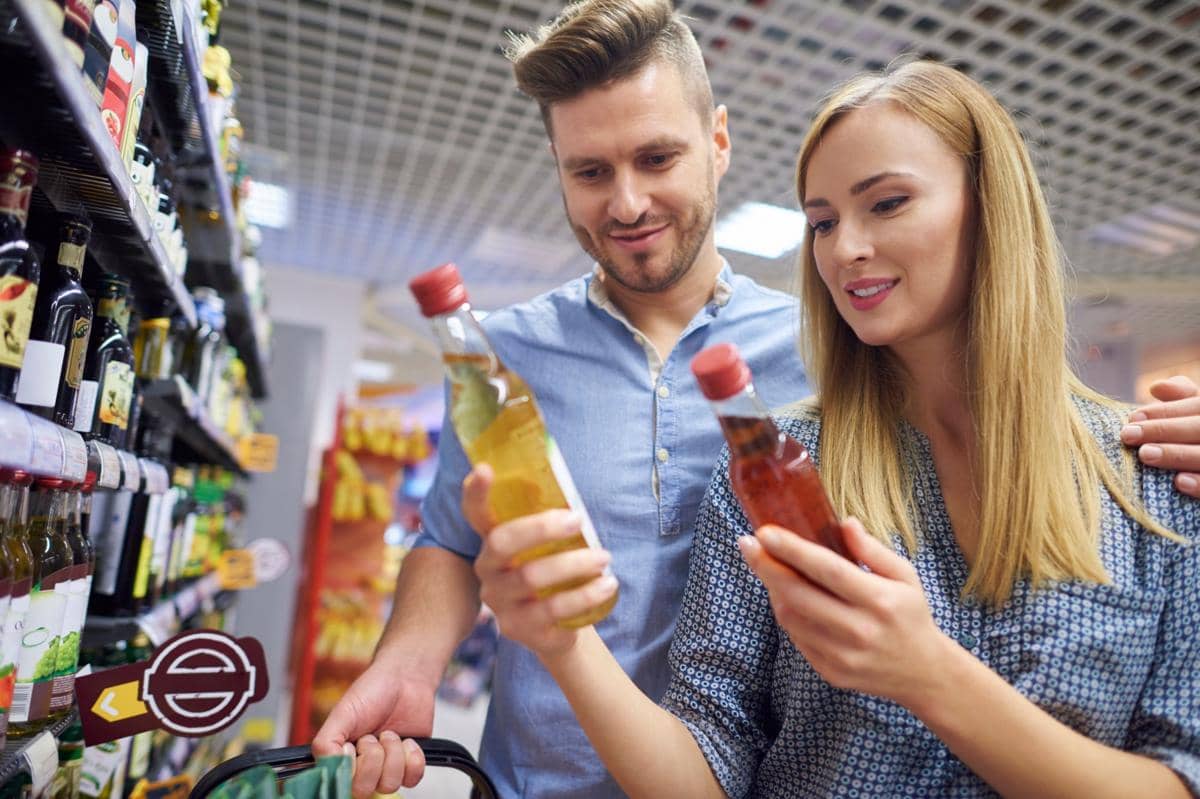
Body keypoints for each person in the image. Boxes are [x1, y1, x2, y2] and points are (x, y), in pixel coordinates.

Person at [314, 2, 1200, 796]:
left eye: (657, 157)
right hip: (542, 777)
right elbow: (450, 539)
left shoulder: (839, 350)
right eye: (588, 172)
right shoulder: (505, 357)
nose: (626, 201)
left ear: (720, 140)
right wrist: (408, 660)